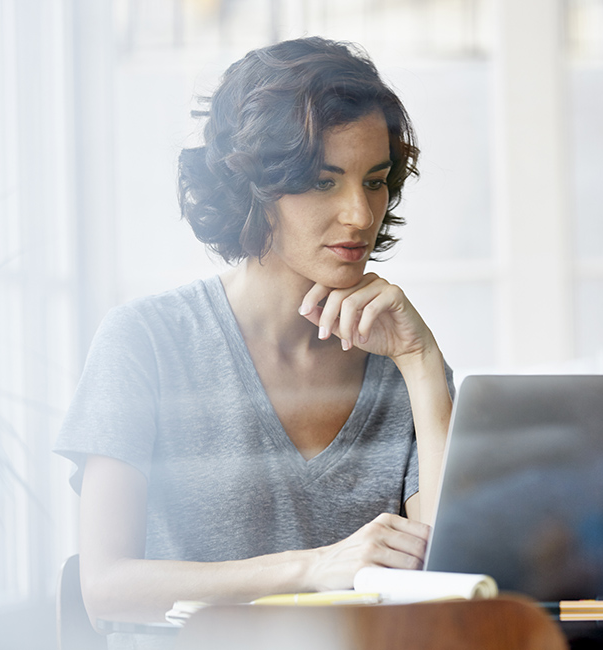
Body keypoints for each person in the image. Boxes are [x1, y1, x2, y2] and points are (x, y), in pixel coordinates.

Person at [54, 36, 454, 643]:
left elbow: (453, 581)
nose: (359, 215)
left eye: (375, 181)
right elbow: (107, 587)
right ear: (254, 189)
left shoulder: (402, 357)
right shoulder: (145, 342)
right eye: (324, 182)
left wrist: (423, 366)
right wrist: (316, 568)